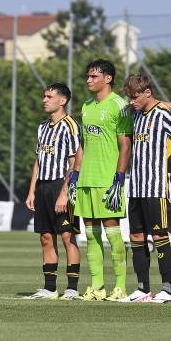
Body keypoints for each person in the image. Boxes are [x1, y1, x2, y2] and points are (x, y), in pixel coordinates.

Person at [72, 59, 133, 301]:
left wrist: (119, 177)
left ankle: (120, 287)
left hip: (108, 180)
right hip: (87, 179)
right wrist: (76, 174)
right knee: (90, 234)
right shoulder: (86, 106)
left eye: (94, 76)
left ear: (108, 78)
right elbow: (83, 144)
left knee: (113, 234)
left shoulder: (120, 105)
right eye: (88, 76)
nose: (89, 80)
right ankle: (96, 286)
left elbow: (125, 144)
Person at [119, 73, 171, 303]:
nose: (131, 101)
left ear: (147, 93)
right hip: (136, 187)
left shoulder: (162, 114)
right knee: (136, 236)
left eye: (135, 97)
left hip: (157, 186)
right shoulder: (136, 116)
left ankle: (166, 289)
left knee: (160, 235)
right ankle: (143, 288)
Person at [25, 83, 81, 300]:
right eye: (44, 96)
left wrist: (65, 192)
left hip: (61, 185)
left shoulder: (71, 126)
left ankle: (72, 288)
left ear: (62, 100)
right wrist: (32, 191)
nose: (44, 100)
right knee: (46, 237)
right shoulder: (42, 127)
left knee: (67, 236)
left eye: (49, 96)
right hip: (43, 188)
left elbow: (75, 161)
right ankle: (49, 288)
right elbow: (38, 161)